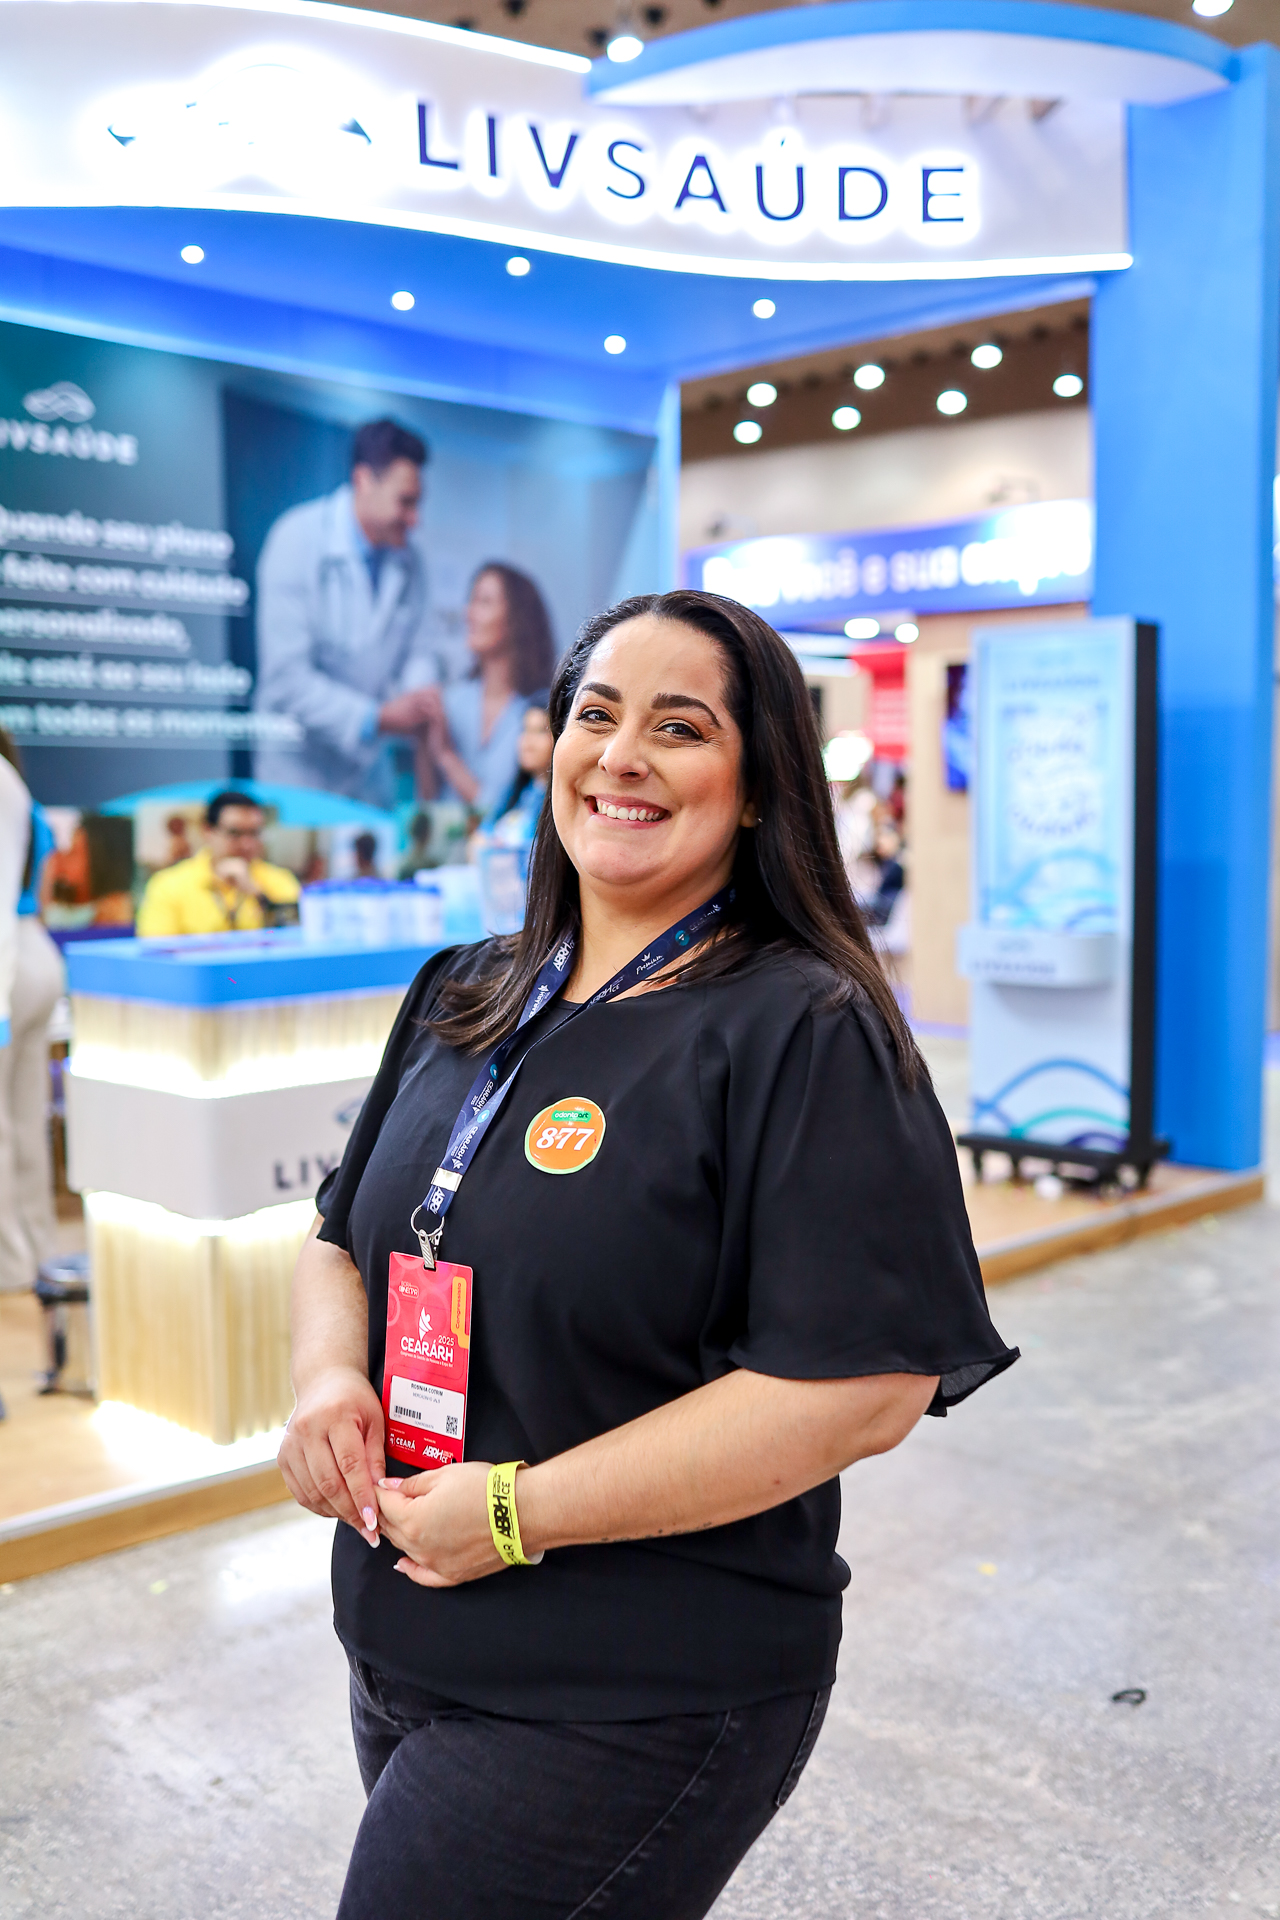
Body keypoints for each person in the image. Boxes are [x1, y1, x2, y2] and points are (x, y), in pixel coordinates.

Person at [279, 588, 1017, 1920]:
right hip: (402, 1636)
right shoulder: (464, 991)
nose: (621, 756)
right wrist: (329, 1379)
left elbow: (862, 1386)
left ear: (757, 787)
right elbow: (341, 1238)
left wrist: (520, 1511)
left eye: (679, 728)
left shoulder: (802, 1029)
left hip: (631, 1687)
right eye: (596, 715)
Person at [254, 418, 442, 806]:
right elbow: (286, 678)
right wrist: (377, 717)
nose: (415, 519)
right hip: (299, 768)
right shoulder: (296, 539)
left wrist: (418, 698)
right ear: (363, 480)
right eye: (405, 502)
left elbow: (419, 652)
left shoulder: (411, 562)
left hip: (368, 772)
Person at [416, 562, 555, 817]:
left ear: (516, 619)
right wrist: (426, 747)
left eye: (484, 602)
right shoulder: (452, 702)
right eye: (471, 601)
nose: (469, 613)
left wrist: (447, 757)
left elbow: (508, 815)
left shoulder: (539, 715)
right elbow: (427, 805)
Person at [0, 731, 62, 1294]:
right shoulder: (22, 792)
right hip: (34, 948)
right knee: (24, 1118)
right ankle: (33, 1251)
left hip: (8, 960)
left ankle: (9, 1264)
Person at [136, 791, 300, 936]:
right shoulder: (168, 885)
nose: (247, 844)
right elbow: (158, 950)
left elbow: (294, 938)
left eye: (254, 833)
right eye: (235, 833)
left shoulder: (279, 880)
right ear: (207, 830)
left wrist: (258, 896)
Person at [482, 701, 553, 845]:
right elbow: (479, 839)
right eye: (525, 730)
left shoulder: (561, 800)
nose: (528, 742)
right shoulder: (514, 792)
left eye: (540, 731)